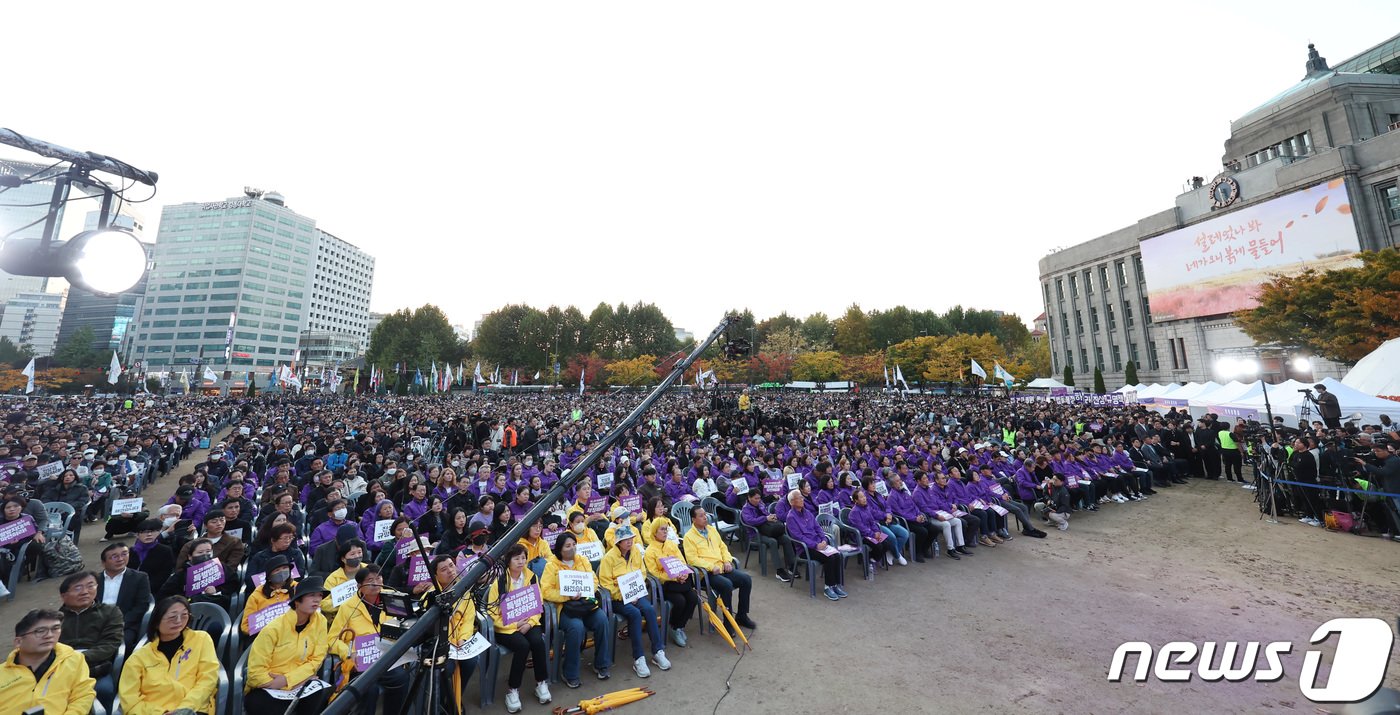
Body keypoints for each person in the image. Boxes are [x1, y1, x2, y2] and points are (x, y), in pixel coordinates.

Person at [328, 564, 412, 715]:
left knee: (401, 677)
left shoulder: (391, 598)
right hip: (359, 662)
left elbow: (403, 623)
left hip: (385, 658)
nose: (375, 583)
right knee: (369, 689)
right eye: (370, 580)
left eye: (378, 577)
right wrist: (349, 652)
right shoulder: (348, 607)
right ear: (359, 586)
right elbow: (332, 639)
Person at [117, 595, 221, 715]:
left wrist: (185, 707)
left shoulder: (201, 639)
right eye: (172, 617)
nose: (178, 621)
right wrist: (161, 713)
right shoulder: (138, 658)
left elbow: (208, 679)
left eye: (184, 615)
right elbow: (130, 700)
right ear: (156, 622)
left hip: (193, 709)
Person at [245, 576, 331, 715]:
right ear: (297, 601)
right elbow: (255, 674)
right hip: (268, 686)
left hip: (300, 683)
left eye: (320, 595)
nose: (317, 599)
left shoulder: (320, 621)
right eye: (311, 595)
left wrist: (289, 680)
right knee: (269, 707)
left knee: (323, 699)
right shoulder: (273, 629)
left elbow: (317, 658)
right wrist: (283, 683)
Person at [598, 524, 670, 678]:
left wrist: (635, 589)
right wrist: (623, 595)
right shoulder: (609, 558)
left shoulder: (636, 552)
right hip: (618, 598)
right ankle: (639, 658)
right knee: (635, 614)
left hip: (635, 594)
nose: (629, 542)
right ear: (618, 542)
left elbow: (642, 572)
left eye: (631, 538)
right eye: (625, 539)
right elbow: (605, 585)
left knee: (650, 610)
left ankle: (658, 651)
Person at [541, 531, 611, 687]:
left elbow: (593, 579)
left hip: (585, 603)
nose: (572, 548)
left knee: (601, 620)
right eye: (567, 546)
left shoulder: (583, 560)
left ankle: (601, 664)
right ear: (559, 549)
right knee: (576, 627)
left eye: (574, 545)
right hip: (565, 608)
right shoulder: (551, 566)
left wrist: (587, 590)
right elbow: (545, 591)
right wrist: (567, 596)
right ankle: (570, 672)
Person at [486, 543, 551, 713]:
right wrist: (515, 625)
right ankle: (512, 690)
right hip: (506, 627)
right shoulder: (499, 582)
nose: (521, 562)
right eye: (516, 558)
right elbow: (492, 612)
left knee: (537, 642)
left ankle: (541, 683)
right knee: (522, 646)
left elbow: (539, 604)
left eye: (523, 558)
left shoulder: (532, 577)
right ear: (508, 561)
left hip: (529, 621)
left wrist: (529, 622)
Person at [0, 609, 94, 715]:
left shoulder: (73, 660)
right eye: (40, 631)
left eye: (55, 629)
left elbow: (83, 696)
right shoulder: (2, 673)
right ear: (19, 642)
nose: (49, 635)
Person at [682, 504, 757, 631]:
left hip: (722, 568)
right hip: (706, 574)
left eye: (705, 514)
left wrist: (727, 561)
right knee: (726, 585)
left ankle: (742, 616)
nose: (705, 517)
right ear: (693, 519)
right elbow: (692, 559)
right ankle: (728, 622)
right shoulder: (689, 537)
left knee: (746, 579)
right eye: (701, 516)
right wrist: (711, 567)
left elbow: (723, 547)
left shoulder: (711, 529)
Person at [57, 571, 123, 708]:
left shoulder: (110, 612)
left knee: (103, 690)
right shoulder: (55, 618)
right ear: (64, 596)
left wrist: (77, 659)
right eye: (78, 588)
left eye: (90, 586)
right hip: (61, 667)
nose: (85, 592)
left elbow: (110, 644)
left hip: (95, 665)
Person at [642, 518, 700, 646]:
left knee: (693, 597)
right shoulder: (650, 551)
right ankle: (674, 627)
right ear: (654, 532)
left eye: (666, 529)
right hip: (665, 585)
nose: (665, 532)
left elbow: (681, 561)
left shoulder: (671, 544)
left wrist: (684, 573)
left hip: (680, 582)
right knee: (680, 601)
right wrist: (674, 577)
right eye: (662, 529)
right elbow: (655, 573)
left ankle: (679, 627)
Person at [783, 489, 845, 600]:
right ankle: (828, 587)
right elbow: (799, 537)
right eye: (799, 498)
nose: (802, 499)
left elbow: (817, 527)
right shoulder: (791, 517)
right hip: (805, 549)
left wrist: (824, 539)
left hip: (819, 543)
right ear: (792, 502)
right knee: (830, 558)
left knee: (837, 555)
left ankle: (836, 585)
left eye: (802, 497)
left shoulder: (807, 512)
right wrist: (816, 545)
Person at [96, 541, 153, 649]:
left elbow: (141, 606)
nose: (120, 559)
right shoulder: (94, 580)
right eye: (114, 556)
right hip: (96, 624)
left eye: (124, 554)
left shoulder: (139, 578)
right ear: (103, 563)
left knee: (124, 643)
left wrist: (118, 624)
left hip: (125, 624)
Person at [739, 488, 796, 580]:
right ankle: (779, 570)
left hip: (767, 530)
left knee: (786, 539)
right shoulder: (746, 509)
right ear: (749, 498)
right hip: (755, 534)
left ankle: (791, 566)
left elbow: (766, 514)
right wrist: (765, 518)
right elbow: (750, 521)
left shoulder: (760, 504)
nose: (758, 500)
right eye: (756, 498)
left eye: (759, 498)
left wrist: (771, 517)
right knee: (772, 542)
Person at [241, 555, 296, 635]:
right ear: (269, 576)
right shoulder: (257, 595)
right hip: (266, 637)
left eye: (285, 568)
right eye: (277, 570)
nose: (282, 572)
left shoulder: (298, 588)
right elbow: (246, 626)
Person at [128, 518, 176, 601]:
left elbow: (164, 574)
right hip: (130, 589)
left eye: (153, 531)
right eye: (145, 532)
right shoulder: (130, 551)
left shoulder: (165, 550)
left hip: (154, 591)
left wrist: (145, 588)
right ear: (137, 534)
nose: (149, 534)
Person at [321, 538, 367, 618]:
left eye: (359, 552)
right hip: (342, 618)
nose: (357, 556)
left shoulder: (369, 570)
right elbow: (324, 604)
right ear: (343, 559)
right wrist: (347, 602)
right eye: (352, 554)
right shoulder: (333, 578)